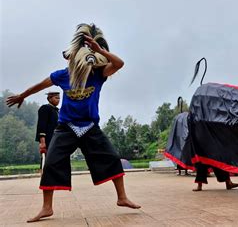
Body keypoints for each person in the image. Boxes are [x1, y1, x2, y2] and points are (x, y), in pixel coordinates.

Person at [6, 23, 140, 223]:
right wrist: (22, 96)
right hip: (66, 127)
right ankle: (47, 208)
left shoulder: (99, 74)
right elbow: (39, 85)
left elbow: (119, 64)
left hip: (90, 126)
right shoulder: (63, 75)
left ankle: (122, 198)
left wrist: (99, 50)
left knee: (112, 157)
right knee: (51, 163)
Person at [36, 92, 60, 172]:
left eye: (59, 98)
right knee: (47, 161)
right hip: (48, 140)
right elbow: (41, 126)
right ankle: (46, 179)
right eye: (56, 98)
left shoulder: (57, 111)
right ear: (49, 99)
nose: (58, 100)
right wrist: (42, 142)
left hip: (56, 140)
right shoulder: (45, 108)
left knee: (56, 161)